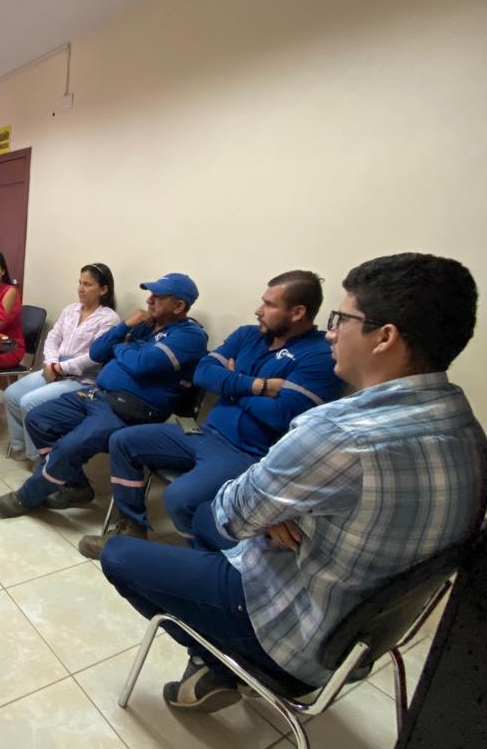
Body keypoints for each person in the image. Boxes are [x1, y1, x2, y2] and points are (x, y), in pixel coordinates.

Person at [100, 253, 485, 713]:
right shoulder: (467, 430)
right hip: (358, 640)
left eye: (342, 319)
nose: (332, 333)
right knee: (195, 504)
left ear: (385, 337)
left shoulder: (338, 432)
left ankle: (219, 659)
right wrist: (279, 503)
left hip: (290, 629)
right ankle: (214, 659)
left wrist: (271, 509)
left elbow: (232, 514)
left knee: (122, 553)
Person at [79, 270, 341, 559]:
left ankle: (205, 563)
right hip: (204, 431)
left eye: (269, 305)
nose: (258, 310)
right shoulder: (248, 335)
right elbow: (203, 373)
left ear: (298, 312)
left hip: (247, 452)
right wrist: (256, 386)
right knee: (123, 441)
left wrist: (230, 384)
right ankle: (131, 528)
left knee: (180, 497)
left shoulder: (320, 355)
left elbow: (282, 414)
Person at [0, 273, 208, 518]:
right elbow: (97, 351)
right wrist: (124, 327)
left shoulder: (190, 336)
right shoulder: (145, 325)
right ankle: (77, 486)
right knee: (38, 419)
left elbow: (143, 364)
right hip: (100, 394)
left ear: (179, 306)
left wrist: (121, 348)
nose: (149, 300)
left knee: (70, 445)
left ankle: (28, 497)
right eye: (151, 295)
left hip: (132, 409)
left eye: (158, 297)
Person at [2, 263, 120, 462]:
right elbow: (53, 338)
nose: (81, 288)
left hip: (82, 379)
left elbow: (94, 357)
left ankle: (38, 457)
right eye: (80, 282)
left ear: (103, 289)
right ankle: (19, 446)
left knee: (29, 402)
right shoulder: (71, 310)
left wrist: (60, 368)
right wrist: (51, 363)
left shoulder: (109, 319)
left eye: (88, 284)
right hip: (54, 368)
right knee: (11, 395)